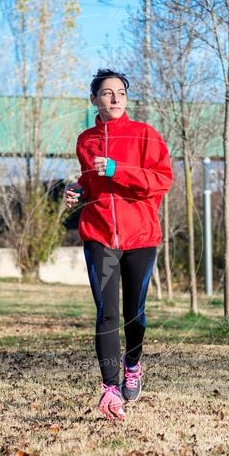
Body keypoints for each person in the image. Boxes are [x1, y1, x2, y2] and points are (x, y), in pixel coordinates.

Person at [65, 68, 173, 420]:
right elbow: (90, 182)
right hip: (99, 236)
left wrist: (116, 169)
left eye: (121, 93)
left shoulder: (145, 135)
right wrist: (79, 191)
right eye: (108, 93)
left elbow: (161, 182)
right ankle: (110, 389)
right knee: (106, 313)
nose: (115, 98)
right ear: (94, 99)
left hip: (140, 236)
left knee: (134, 315)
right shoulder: (85, 140)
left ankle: (133, 363)